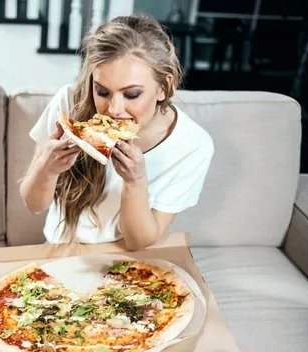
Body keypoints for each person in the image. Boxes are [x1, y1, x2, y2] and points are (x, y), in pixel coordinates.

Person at [20, 15, 214, 250]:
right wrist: (47, 169)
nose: (114, 109)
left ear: (164, 87)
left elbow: (138, 242)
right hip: (60, 248)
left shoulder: (192, 144)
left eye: (131, 95)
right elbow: (34, 205)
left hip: (128, 261)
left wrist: (136, 182)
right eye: (102, 92)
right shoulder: (69, 102)